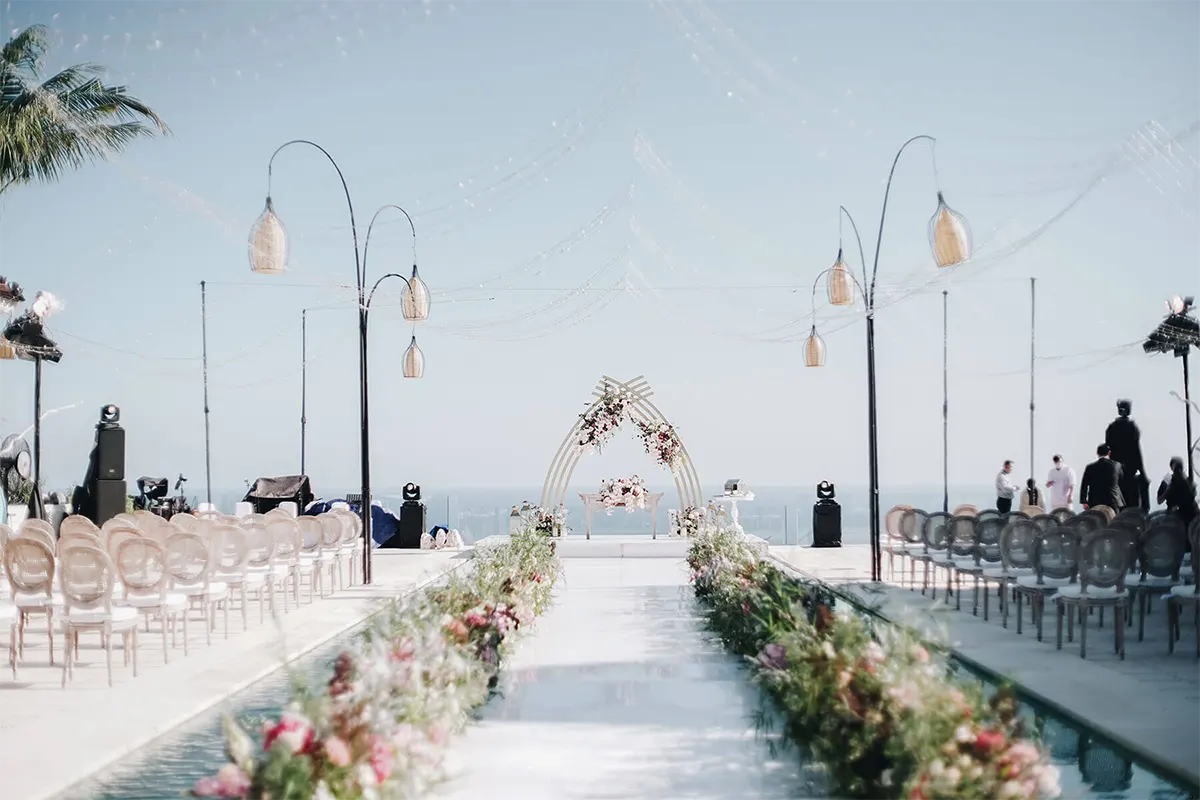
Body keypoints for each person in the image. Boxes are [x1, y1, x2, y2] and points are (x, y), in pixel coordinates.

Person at [1105, 399, 1148, 510]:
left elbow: (1108, 450)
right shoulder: (1132, 427)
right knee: (1133, 507)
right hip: (1130, 472)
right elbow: (1136, 451)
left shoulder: (1111, 428)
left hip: (1115, 471)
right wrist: (1143, 473)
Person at [1080, 443, 1124, 511]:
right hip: (1112, 500)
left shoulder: (1090, 467)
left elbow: (1084, 485)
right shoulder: (1117, 465)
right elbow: (1121, 479)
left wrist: (1084, 501)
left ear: (1097, 453)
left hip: (1095, 501)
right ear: (1109, 453)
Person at [1163, 456, 1197, 528]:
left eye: (1180, 467)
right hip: (1182, 515)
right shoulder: (1170, 480)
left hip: (1189, 514)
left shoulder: (1185, 481)